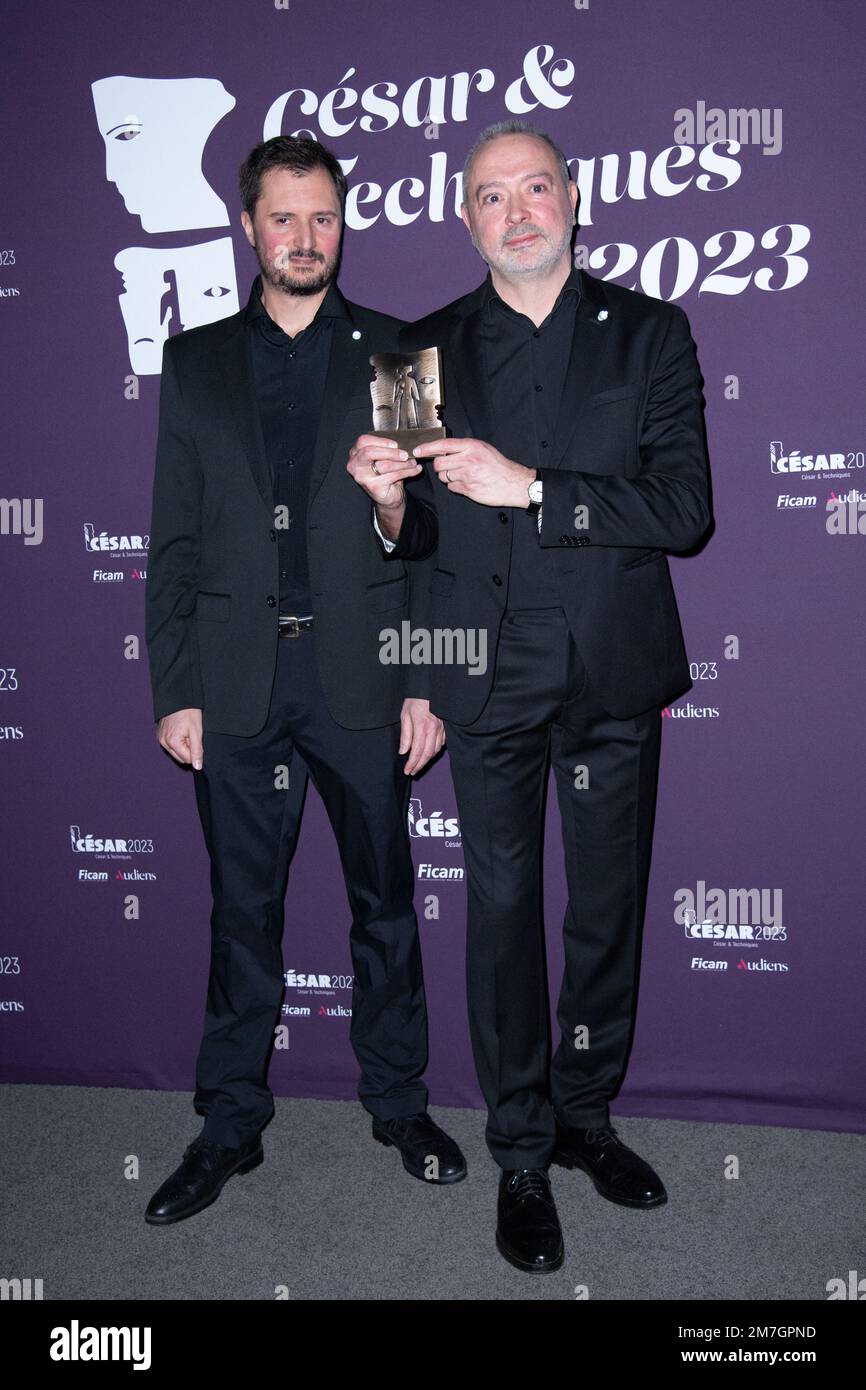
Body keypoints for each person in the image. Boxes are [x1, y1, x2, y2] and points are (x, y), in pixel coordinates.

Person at [348, 120, 712, 1272]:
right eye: (489, 195)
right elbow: (407, 544)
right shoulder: (418, 350)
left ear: (573, 196)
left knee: (602, 914)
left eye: (534, 187)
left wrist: (533, 487)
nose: (515, 211)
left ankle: (584, 1119)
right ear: (464, 218)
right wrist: (389, 502)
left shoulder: (651, 333)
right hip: (485, 679)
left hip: (612, 674)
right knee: (501, 921)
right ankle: (516, 1148)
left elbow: (682, 510)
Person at [144, 135, 465, 1226]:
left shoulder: (397, 353)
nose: (304, 237)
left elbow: (431, 533)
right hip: (233, 679)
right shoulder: (191, 364)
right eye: (283, 218)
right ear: (249, 226)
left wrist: (423, 677)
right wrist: (172, 688)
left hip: (363, 673)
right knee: (244, 913)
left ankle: (399, 1103)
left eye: (322, 217)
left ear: (342, 225)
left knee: (383, 904)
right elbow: (173, 541)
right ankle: (228, 1124)